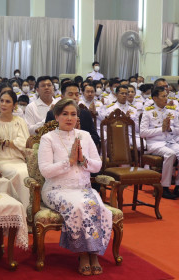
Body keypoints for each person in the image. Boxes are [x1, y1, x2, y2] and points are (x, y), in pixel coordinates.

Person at [38, 98, 111, 276]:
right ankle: (83, 255)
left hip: (83, 189)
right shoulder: (47, 138)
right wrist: (69, 162)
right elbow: (45, 171)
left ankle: (93, 254)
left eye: (73, 114)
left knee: (98, 207)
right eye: (65, 114)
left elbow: (97, 165)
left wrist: (83, 161)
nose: (69, 118)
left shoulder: (84, 136)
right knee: (79, 206)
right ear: (56, 116)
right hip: (56, 190)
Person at [0, 89, 30, 209]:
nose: (3, 104)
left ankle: (26, 209)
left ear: (15, 105)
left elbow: (23, 143)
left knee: (26, 172)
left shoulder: (20, 122)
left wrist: (0, 141)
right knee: (18, 173)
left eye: (7, 101)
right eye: (1, 101)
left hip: (17, 160)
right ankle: (19, 209)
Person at [140, 86, 179, 199]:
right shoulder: (148, 112)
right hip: (155, 143)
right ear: (155, 98)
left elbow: (178, 131)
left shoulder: (172, 111)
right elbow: (143, 133)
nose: (166, 99)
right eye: (163, 96)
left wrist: (170, 129)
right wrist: (161, 129)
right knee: (170, 154)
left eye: (166, 96)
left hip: (170, 141)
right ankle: (164, 187)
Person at [45, 82, 100, 147]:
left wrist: (79, 134)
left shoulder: (85, 114)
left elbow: (96, 138)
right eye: (70, 95)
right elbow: (47, 138)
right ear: (62, 97)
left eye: (77, 95)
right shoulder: (53, 114)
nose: (74, 98)